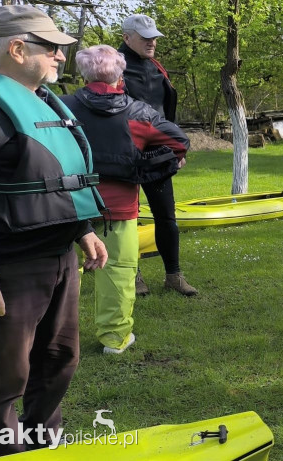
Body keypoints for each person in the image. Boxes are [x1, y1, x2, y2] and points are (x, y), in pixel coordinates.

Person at [0, 5, 108, 457]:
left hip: (58, 261)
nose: (60, 57)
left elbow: (53, 174)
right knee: (0, 381)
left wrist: (83, 229)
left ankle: (42, 446)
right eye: (52, 47)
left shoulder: (44, 101)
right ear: (17, 48)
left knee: (57, 363)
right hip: (7, 270)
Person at [61, 45, 191, 354]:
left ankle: (55, 341)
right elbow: (178, 143)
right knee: (117, 273)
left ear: (84, 74)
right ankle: (114, 340)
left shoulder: (61, 107)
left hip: (67, 205)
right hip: (116, 208)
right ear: (121, 76)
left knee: (62, 275)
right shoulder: (138, 112)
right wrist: (150, 162)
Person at [119, 14, 196, 296]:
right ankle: (133, 275)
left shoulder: (157, 67)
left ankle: (173, 276)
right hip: (125, 156)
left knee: (167, 216)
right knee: (127, 219)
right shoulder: (112, 65)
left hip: (159, 153)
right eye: (145, 37)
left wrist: (176, 147)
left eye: (154, 37)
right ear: (127, 38)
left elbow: (166, 113)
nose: (152, 42)